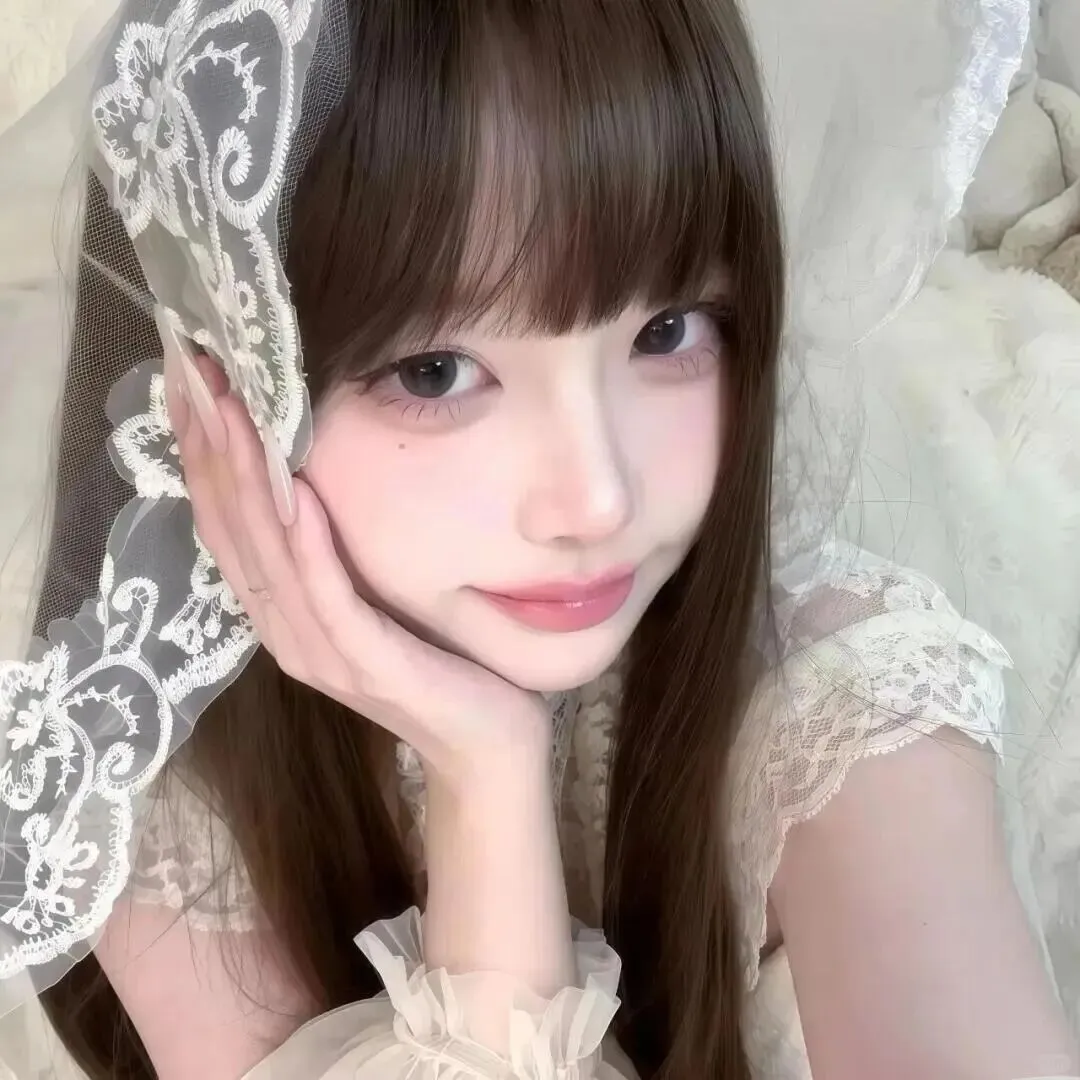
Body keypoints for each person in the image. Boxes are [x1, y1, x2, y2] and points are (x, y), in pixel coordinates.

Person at [0, 0, 1076, 1077]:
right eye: (436, 372)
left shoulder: (847, 723)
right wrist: (486, 775)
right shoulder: (151, 776)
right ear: (212, 391)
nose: (597, 500)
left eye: (667, 331)